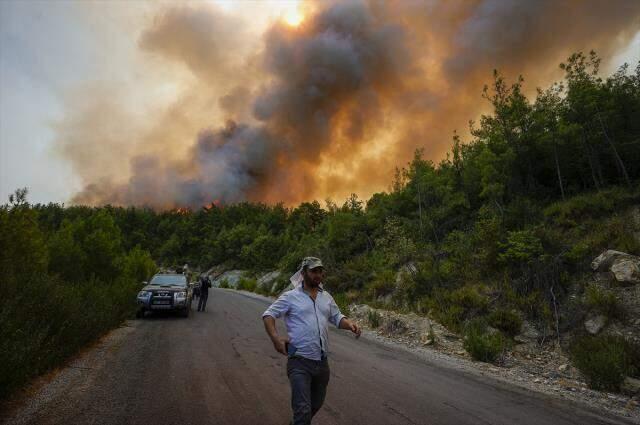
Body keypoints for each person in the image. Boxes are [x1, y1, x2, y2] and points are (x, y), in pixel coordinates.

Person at [262, 257, 361, 425]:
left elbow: (337, 317)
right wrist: (275, 339)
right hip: (299, 361)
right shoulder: (290, 297)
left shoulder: (326, 297)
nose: (318, 275)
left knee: (315, 405)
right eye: (313, 271)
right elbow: (268, 315)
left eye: (320, 271)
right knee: (302, 411)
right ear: (303, 273)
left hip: (322, 364)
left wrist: (350, 324)